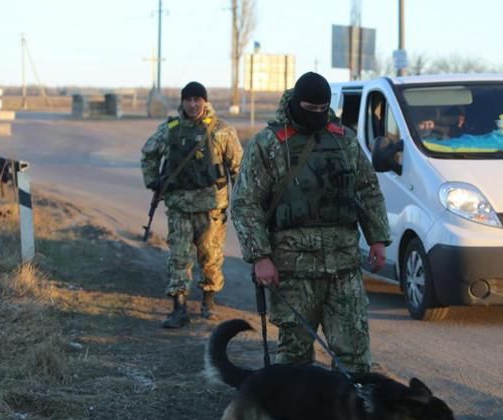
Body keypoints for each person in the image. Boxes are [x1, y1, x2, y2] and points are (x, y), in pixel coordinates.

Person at [231, 72, 391, 374]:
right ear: (295, 103)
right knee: (295, 357)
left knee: (354, 354)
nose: (316, 115)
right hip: (292, 270)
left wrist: (377, 238)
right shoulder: (268, 144)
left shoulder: (344, 140)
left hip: (343, 266)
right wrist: (260, 256)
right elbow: (245, 203)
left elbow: (367, 190)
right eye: (309, 108)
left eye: (322, 110)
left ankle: (346, 419)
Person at [140, 81, 243, 328]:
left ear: (205, 102)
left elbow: (238, 167)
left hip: (211, 207)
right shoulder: (170, 130)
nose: (193, 104)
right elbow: (148, 153)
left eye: (198, 99)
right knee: (179, 257)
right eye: (189, 100)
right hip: (179, 207)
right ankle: (179, 308)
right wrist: (154, 181)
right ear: (182, 102)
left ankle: (209, 302)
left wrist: (242, 198)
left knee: (211, 256)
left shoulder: (222, 131)